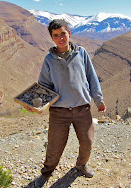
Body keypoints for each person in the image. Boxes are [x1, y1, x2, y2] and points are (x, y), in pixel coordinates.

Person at [33, 19, 106, 187]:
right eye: (56, 35)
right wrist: (35, 105)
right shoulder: (49, 60)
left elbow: (92, 78)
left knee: (87, 141)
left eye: (63, 34)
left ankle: (81, 165)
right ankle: (46, 173)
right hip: (59, 112)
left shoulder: (81, 53)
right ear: (52, 38)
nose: (60, 38)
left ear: (69, 34)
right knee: (54, 146)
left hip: (82, 109)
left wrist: (99, 100)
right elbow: (44, 86)